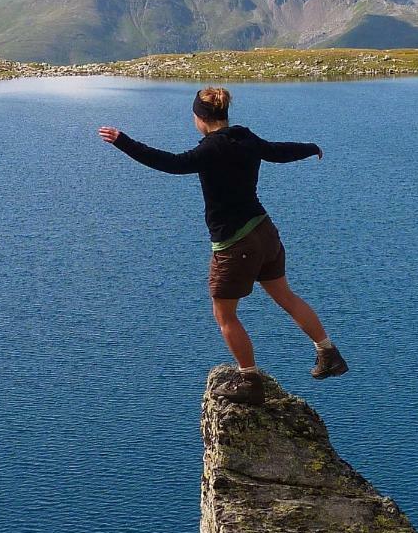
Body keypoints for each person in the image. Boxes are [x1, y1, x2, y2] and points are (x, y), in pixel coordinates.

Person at [98, 87, 348, 405]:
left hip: (235, 243)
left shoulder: (210, 150)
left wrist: (123, 141)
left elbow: (170, 163)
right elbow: (278, 151)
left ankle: (249, 379)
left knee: (224, 314)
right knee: (285, 295)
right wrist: (310, 148)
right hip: (264, 232)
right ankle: (329, 353)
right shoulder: (245, 138)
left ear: (200, 118)